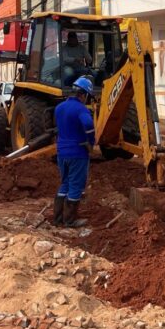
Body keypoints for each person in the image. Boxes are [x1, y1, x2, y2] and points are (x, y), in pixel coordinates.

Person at [53, 76, 95, 228]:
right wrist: (91, 141)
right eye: (87, 97)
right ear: (83, 94)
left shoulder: (59, 108)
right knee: (76, 185)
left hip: (61, 152)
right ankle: (70, 220)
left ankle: (57, 218)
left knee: (65, 183)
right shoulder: (81, 109)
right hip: (77, 152)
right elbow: (88, 124)